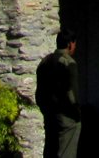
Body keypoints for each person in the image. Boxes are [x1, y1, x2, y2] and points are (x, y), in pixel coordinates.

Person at [36, 28, 81, 158]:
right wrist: (76, 112)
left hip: (49, 112)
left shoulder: (45, 62)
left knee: (50, 148)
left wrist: (44, 109)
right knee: (66, 151)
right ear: (70, 44)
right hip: (65, 114)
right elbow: (71, 92)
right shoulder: (68, 62)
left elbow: (39, 91)